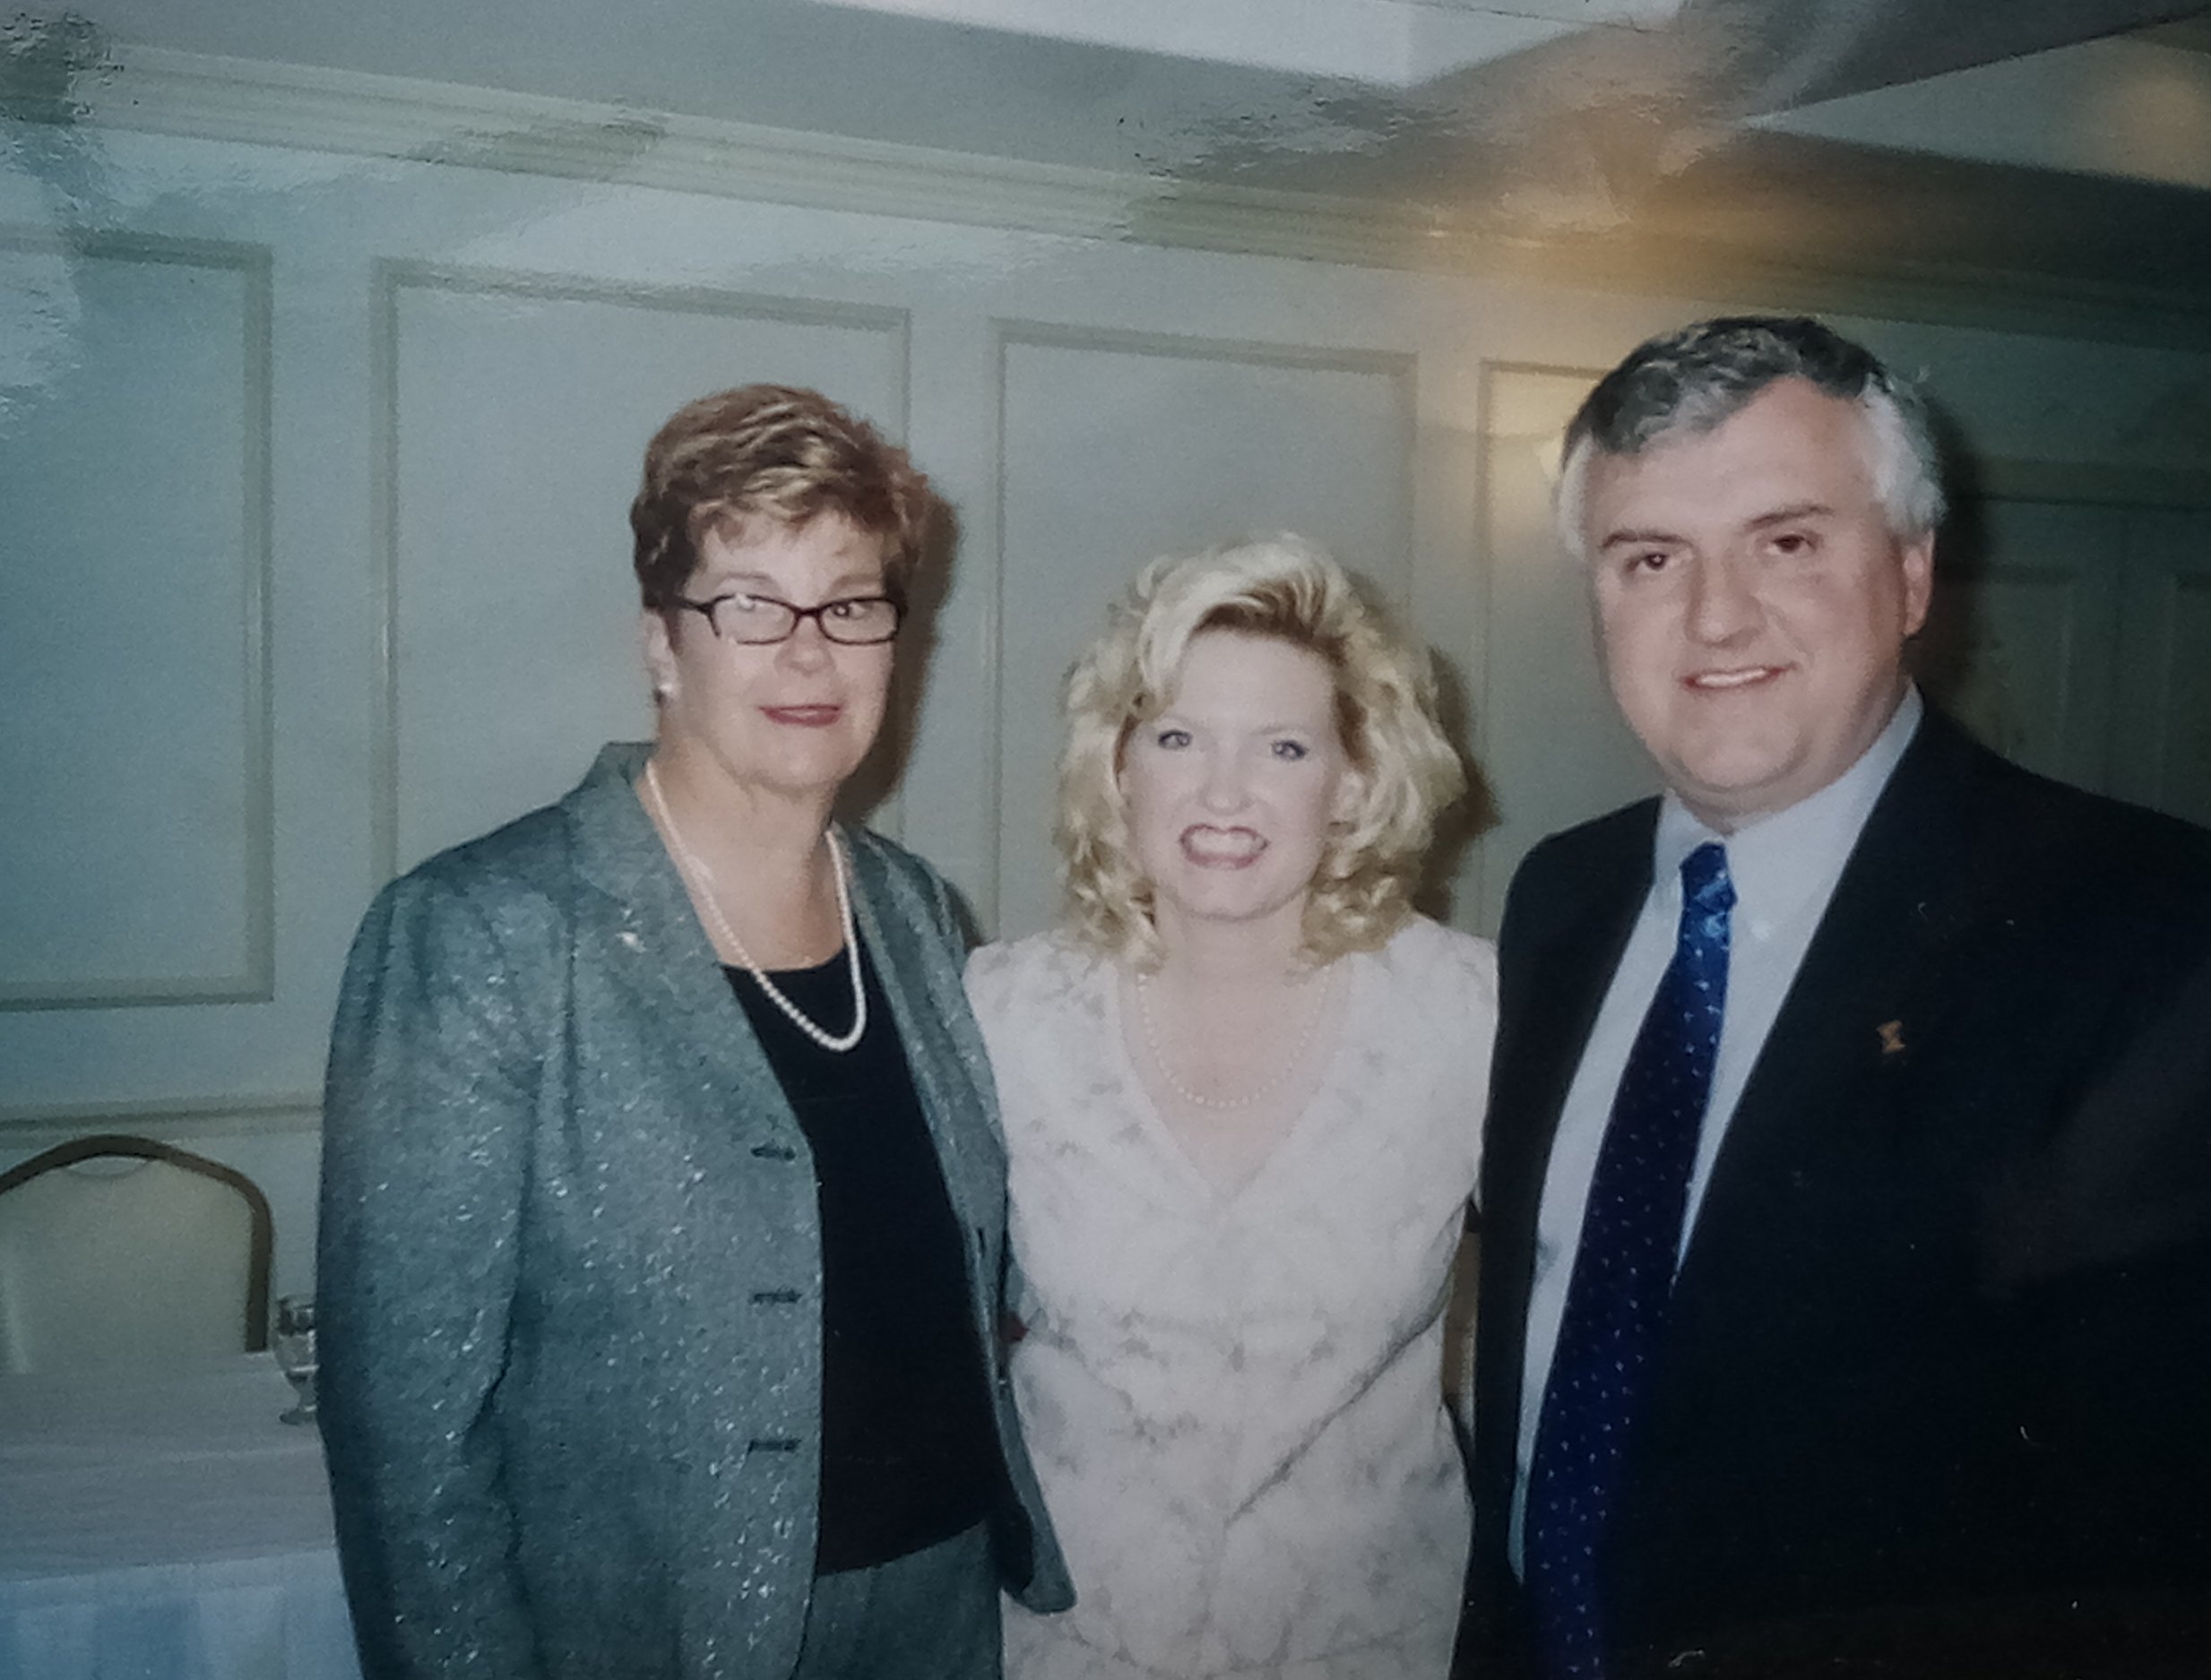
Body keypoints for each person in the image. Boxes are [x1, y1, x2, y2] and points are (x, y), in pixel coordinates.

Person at [1455, 315, 2211, 1678]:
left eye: (1788, 540)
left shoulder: (2151, 929)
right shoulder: (1559, 899)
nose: (1715, 615)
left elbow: (2169, 1530)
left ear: (1916, 572)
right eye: (1651, 557)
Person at [318, 383, 1070, 1680]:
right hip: (657, 1628)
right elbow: (407, 1437)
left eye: (849, 603)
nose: (808, 652)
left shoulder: (915, 912)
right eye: (749, 605)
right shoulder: (479, 934)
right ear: (662, 644)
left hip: (946, 1603)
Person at [968, 536, 1498, 1680]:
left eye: (1283, 746)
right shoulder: (1002, 1015)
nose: (1222, 792)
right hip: (1068, 1647)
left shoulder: (1471, 1016)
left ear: (1353, 778)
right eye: (1176, 737)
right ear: (1118, 766)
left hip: (1377, 1645)